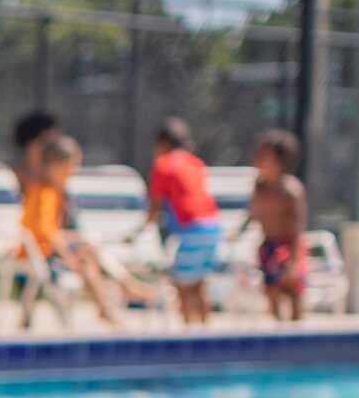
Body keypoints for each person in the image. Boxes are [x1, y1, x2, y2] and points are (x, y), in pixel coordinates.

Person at [18, 135, 123, 329]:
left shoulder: (49, 191)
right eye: (72, 166)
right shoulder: (45, 192)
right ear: (59, 165)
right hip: (38, 254)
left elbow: (50, 231)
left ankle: (112, 299)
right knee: (85, 259)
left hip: (42, 252)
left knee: (88, 252)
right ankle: (115, 298)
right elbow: (46, 232)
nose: (74, 171)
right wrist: (69, 257)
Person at [142, 117, 221, 326]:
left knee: (182, 285)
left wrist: (138, 231)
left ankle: (189, 337)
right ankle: (205, 332)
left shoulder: (162, 164)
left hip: (191, 230)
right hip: (214, 227)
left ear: (162, 144)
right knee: (199, 284)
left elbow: (155, 208)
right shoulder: (195, 163)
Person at [238, 128, 308, 321]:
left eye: (263, 154)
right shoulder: (259, 187)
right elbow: (253, 214)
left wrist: (293, 259)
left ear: (281, 160)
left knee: (292, 291)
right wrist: (238, 231)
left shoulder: (291, 191)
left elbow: (297, 226)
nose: (257, 158)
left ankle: (297, 333)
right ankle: (277, 334)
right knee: (272, 291)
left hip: (288, 248)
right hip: (268, 247)